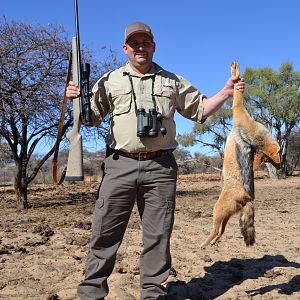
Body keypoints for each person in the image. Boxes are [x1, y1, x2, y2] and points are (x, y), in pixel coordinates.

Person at [66, 21, 245, 300]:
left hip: (160, 167)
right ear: (125, 48)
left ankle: (153, 294)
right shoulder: (110, 80)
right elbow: (89, 119)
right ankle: (90, 293)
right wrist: (75, 101)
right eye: (134, 43)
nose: (140, 47)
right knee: (104, 234)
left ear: (153, 46)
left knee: (158, 237)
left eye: (145, 42)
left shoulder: (172, 80)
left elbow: (200, 109)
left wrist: (225, 91)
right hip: (119, 165)